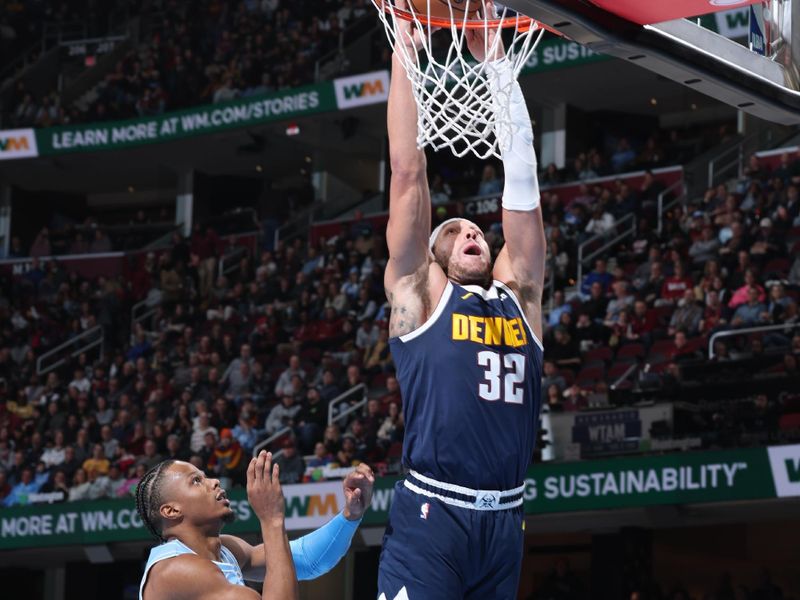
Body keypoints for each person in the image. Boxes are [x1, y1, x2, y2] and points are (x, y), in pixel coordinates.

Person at [378, 6, 545, 598]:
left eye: (477, 230)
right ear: (433, 257)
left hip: (505, 522)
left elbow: (522, 176)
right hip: (432, 516)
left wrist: (495, 62)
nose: (471, 232)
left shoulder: (519, 297)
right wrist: (406, 51)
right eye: (453, 232)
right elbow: (406, 172)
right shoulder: (419, 298)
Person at [136, 454, 375, 600]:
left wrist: (349, 516)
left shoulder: (226, 549)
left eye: (205, 475)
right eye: (196, 481)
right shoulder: (175, 571)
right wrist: (271, 520)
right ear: (171, 511)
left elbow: (307, 560)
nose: (214, 481)